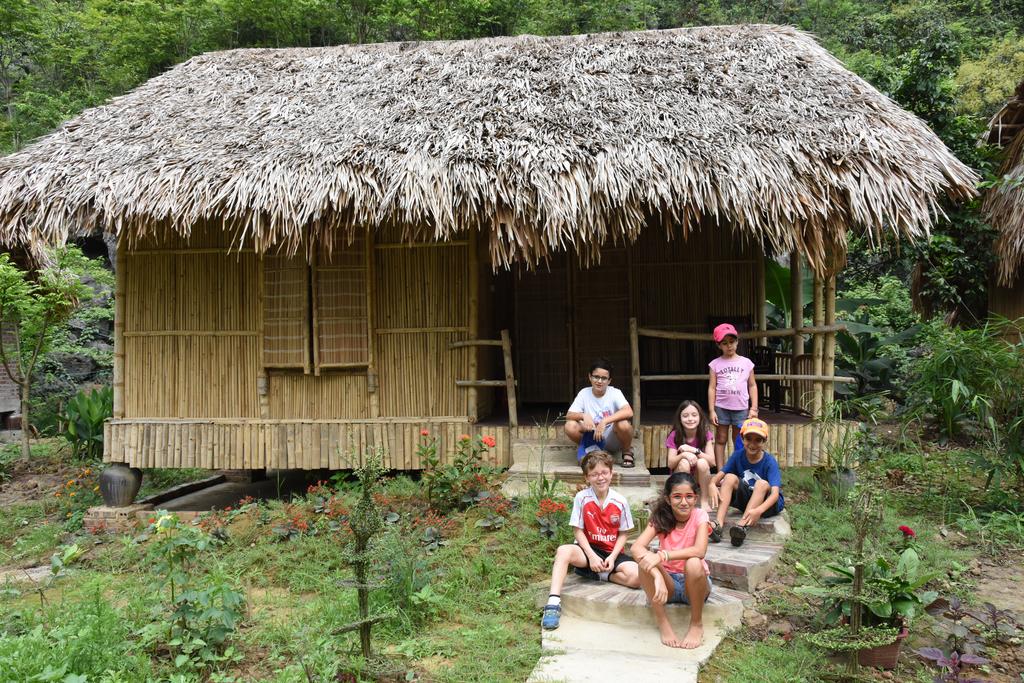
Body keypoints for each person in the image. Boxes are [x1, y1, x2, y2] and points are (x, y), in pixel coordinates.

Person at [541, 450, 639, 630]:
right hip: (588, 550)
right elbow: (577, 530)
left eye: (604, 472)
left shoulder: (620, 501)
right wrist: (592, 556)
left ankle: (602, 574)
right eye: (594, 474)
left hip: (611, 552)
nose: (600, 478)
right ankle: (553, 603)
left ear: (611, 473)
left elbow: (624, 533)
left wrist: (612, 557)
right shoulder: (582, 498)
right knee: (563, 551)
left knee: (637, 578)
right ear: (587, 477)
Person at [630, 472, 711, 649]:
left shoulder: (700, 516)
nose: (684, 502)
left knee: (693, 562)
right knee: (644, 562)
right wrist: (657, 576)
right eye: (677, 496)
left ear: (696, 498)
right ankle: (663, 623)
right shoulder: (660, 518)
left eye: (689, 496)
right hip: (668, 585)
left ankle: (696, 624)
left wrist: (662, 555)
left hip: (695, 584)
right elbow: (636, 548)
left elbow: (700, 550)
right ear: (668, 499)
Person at [708, 417, 784, 547]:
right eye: (748, 439)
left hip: (767, 505)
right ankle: (719, 524)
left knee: (762, 484)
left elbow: (775, 494)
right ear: (742, 439)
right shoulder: (738, 455)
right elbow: (719, 476)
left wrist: (759, 510)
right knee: (729, 477)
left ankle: (741, 526)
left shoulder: (769, 461)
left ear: (764, 441)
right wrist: (711, 484)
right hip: (748, 500)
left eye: (758, 440)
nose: (752, 444)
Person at [565, 357, 635, 467]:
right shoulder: (584, 393)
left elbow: (629, 411)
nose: (599, 381)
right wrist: (584, 415)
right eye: (596, 377)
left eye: (604, 378)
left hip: (611, 439)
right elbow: (569, 415)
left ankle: (627, 451)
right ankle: (590, 450)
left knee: (624, 424)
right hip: (592, 437)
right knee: (570, 426)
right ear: (590, 377)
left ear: (609, 380)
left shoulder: (615, 393)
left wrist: (605, 421)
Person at [708, 323, 757, 471]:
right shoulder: (715, 364)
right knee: (721, 438)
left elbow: (752, 385)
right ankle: (720, 471)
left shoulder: (746, 363)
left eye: (731, 341)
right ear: (718, 345)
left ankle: (737, 471)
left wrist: (754, 408)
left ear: (737, 341)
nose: (729, 346)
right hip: (721, 407)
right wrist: (712, 410)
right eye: (724, 343)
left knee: (739, 440)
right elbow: (712, 387)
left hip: (741, 407)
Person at [665, 400, 717, 510]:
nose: (690, 419)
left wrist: (693, 450)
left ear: (700, 417)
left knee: (702, 462)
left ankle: (704, 500)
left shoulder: (706, 434)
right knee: (684, 463)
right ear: (680, 418)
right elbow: (670, 463)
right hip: (680, 477)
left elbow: (712, 462)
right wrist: (684, 454)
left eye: (694, 415)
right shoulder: (674, 435)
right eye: (685, 416)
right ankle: (685, 499)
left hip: (698, 477)